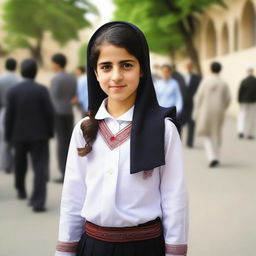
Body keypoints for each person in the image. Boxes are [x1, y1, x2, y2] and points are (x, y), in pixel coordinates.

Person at [55, 22, 188, 256]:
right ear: (95, 73)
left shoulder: (163, 129)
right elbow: (73, 198)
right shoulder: (84, 129)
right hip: (92, 246)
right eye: (106, 67)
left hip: (145, 247)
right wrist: (65, 250)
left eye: (126, 65)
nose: (116, 76)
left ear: (142, 69)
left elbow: (174, 199)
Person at [5, 58, 54, 212]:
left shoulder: (13, 91)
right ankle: (38, 202)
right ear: (35, 72)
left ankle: (21, 190)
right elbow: (49, 113)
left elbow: (9, 115)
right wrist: (50, 132)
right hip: (40, 135)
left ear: (21, 71)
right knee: (39, 167)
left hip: (18, 134)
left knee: (20, 164)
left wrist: (8, 136)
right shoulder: (42, 90)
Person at [193, 62, 230, 168]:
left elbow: (198, 97)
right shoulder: (224, 83)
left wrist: (196, 111)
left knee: (207, 133)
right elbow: (228, 99)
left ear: (211, 69)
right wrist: (223, 108)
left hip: (206, 110)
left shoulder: (206, 81)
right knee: (217, 133)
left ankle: (212, 157)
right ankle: (217, 156)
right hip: (219, 111)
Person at [50, 53, 77, 183]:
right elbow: (73, 96)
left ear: (56, 63)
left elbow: (53, 96)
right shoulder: (72, 78)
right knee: (68, 142)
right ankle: (69, 170)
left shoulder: (56, 79)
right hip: (69, 112)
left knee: (61, 143)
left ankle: (63, 173)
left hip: (58, 113)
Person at [0, 58, 19, 173]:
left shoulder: (1, 79)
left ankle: (6, 164)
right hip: (18, 112)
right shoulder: (19, 80)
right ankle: (16, 163)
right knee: (16, 139)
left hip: (4, 110)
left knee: (4, 139)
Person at [183, 59, 202, 148]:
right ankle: (178, 141)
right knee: (179, 123)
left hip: (193, 103)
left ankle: (190, 142)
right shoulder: (182, 78)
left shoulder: (197, 78)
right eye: (187, 66)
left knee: (191, 123)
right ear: (185, 67)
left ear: (192, 67)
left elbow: (200, 91)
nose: (188, 67)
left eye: (190, 66)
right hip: (182, 104)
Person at [237, 65, 256, 139]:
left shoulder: (244, 81)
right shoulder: (255, 81)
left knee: (242, 116)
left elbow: (240, 91)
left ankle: (240, 131)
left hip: (243, 102)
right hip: (253, 102)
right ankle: (250, 133)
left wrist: (239, 100)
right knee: (252, 118)